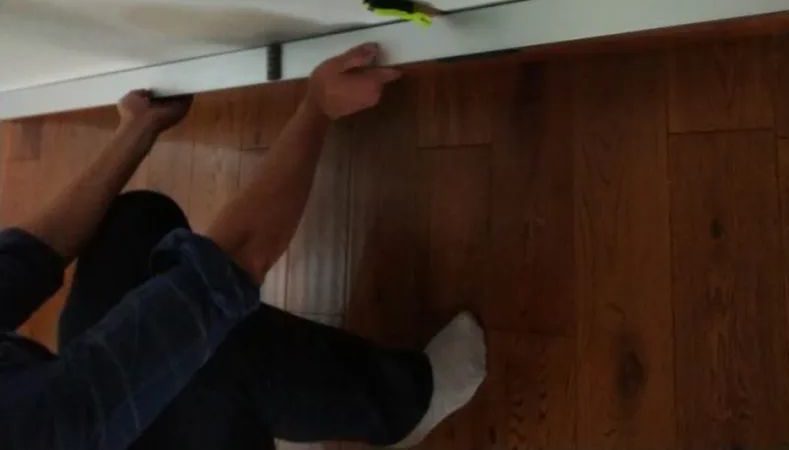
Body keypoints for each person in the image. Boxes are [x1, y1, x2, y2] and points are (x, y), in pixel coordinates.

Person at [0, 43, 486, 449]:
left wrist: (136, 129)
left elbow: (25, 258)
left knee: (133, 225)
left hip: (53, 407)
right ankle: (405, 405)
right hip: (57, 426)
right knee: (214, 350)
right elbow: (224, 272)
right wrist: (317, 109)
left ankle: (274, 409)